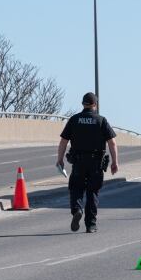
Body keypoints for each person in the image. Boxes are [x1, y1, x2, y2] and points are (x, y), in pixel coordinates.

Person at [56, 92, 118, 233]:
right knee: (92, 193)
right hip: (96, 163)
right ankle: (90, 225)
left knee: (76, 188)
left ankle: (77, 209)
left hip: (78, 162)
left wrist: (59, 159)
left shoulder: (74, 119)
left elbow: (63, 142)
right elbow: (112, 143)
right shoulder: (101, 121)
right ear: (95, 105)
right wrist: (115, 162)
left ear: (83, 104)